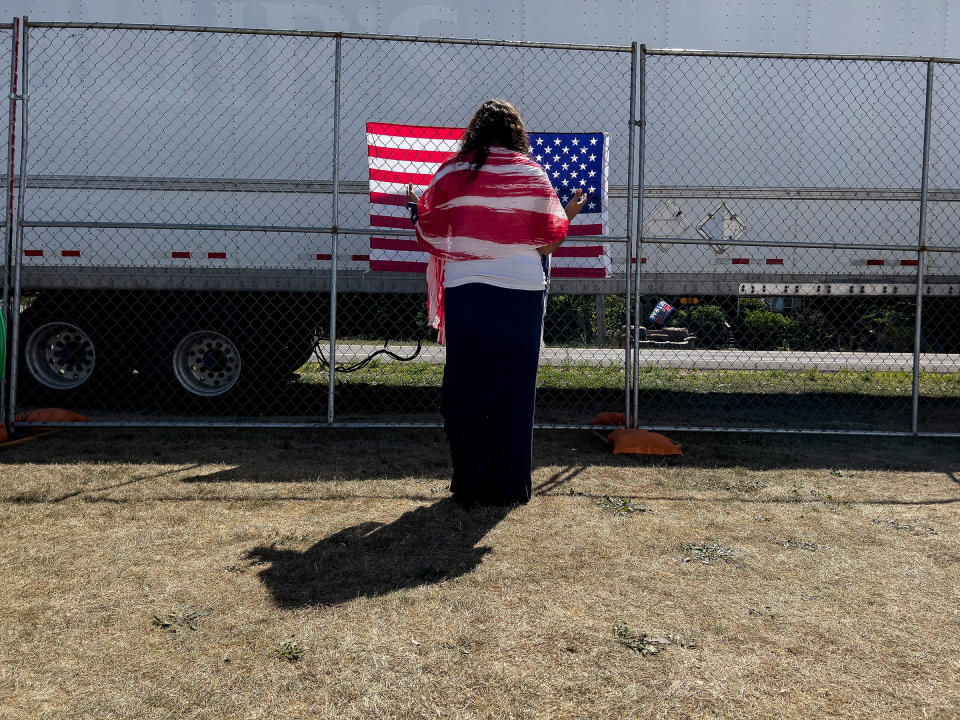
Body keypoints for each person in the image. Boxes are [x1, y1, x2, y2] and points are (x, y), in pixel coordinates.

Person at [406, 99, 586, 507]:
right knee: (514, 393)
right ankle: (509, 488)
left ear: (475, 132)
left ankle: (469, 486)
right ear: (516, 134)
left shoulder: (452, 173)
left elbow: (430, 229)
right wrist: (568, 213)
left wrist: (414, 207)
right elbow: (549, 240)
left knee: (468, 389)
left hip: (466, 290)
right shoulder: (531, 173)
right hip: (521, 292)